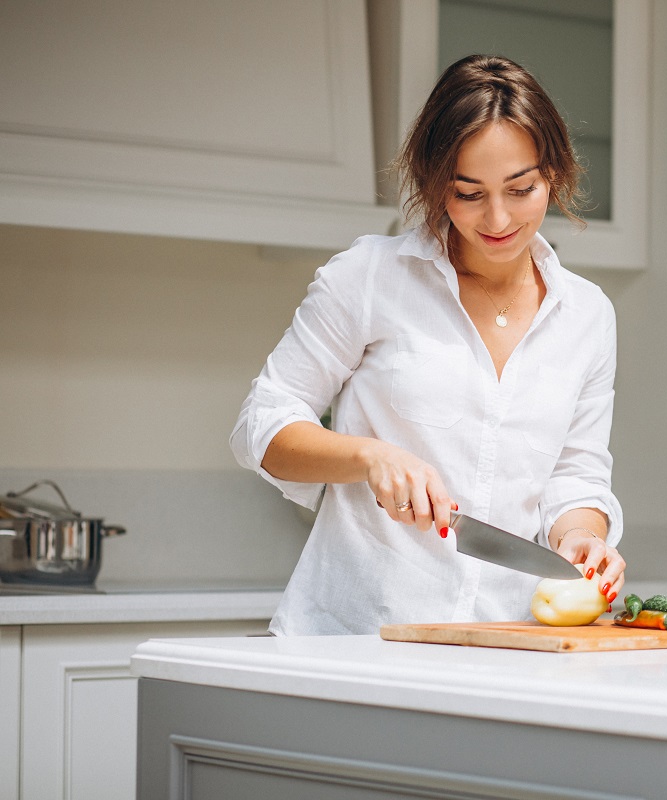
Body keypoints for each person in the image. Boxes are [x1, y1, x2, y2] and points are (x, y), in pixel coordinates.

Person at [231, 54, 626, 635]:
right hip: (355, 638)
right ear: (435, 183)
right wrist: (369, 456)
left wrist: (583, 539)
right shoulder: (369, 277)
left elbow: (576, 474)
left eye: (521, 189)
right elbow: (260, 427)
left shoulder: (587, 314)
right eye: (468, 193)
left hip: (505, 646)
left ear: (555, 175)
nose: (497, 218)